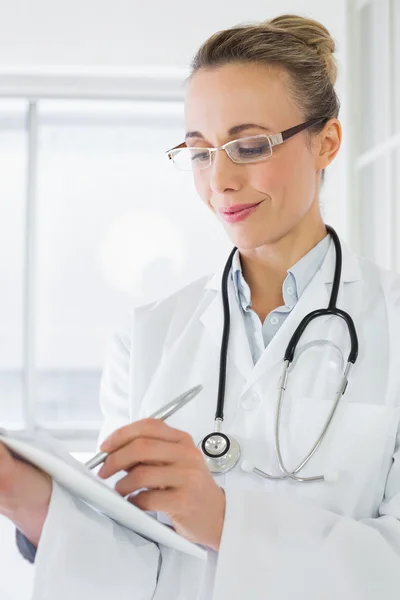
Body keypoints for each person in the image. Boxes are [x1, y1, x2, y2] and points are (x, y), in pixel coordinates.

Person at [3, 13, 400, 600]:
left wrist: (224, 520)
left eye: (248, 145)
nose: (220, 181)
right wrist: (20, 494)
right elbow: (129, 563)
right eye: (199, 151)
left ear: (327, 142)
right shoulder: (147, 336)